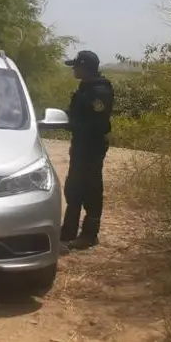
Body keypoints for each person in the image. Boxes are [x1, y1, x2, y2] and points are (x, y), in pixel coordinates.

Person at [60, 50, 115, 250]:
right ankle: (68, 230)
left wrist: (73, 125)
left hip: (92, 146)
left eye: (76, 66)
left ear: (85, 68)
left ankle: (90, 235)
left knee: (91, 189)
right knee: (73, 187)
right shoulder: (86, 87)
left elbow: (97, 124)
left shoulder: (100, 91)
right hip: (81, 144)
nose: (74, 70)